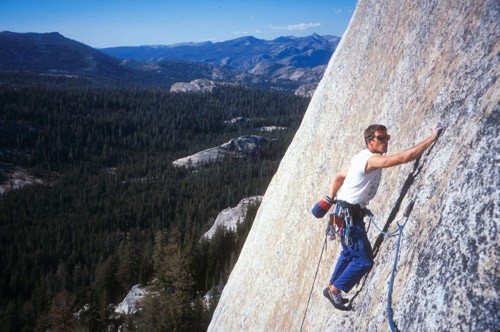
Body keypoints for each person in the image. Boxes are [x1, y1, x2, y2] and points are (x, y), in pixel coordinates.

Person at [312, 123, 443, 310]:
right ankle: (335, 290)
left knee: (349, 253)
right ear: (369, 141)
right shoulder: (371, 160)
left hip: (342, 214)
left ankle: (332, 287)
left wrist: (330, 198)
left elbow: (339, 177)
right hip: (349, 216)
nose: (386, 141)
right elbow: (403, 158)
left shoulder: (360, 157)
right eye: (381, 138)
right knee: (363, 260)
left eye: (387, 137)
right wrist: (432, 138)